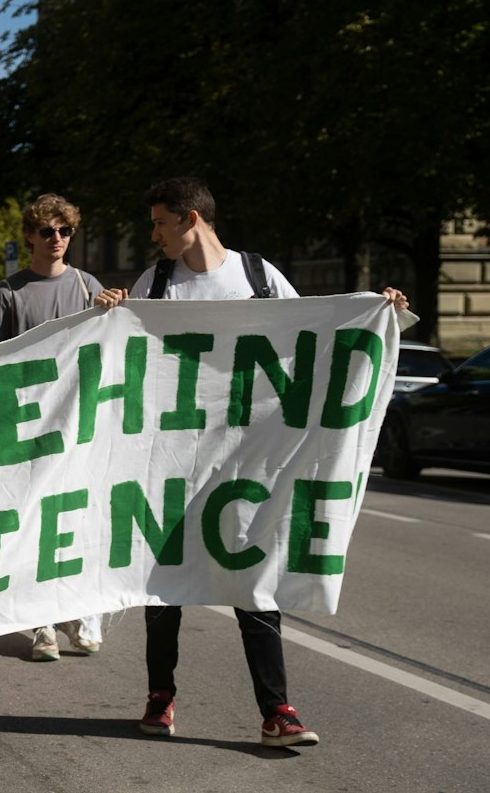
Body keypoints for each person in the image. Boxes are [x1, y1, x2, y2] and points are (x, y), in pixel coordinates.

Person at [94, 177, 408, 746]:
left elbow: (315, 338)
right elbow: (126, 355)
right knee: (164, 584)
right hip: (172, 459)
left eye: (160, 222)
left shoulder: (260, 278)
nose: (154, 234)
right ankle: (160, 697)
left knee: (251, 578)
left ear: (191, 219)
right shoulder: (156, 281)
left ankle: (277, 710)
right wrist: (111, 312)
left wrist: (376, 313)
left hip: (246, 461)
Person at [0, 196, 108, 660]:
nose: (57, 239)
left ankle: (77, 613)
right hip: (26, 428)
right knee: (33, 524)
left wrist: (113, 310)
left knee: (75, 521)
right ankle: (41, 625)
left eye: (65, 232)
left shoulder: (88, 286)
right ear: (30, 236)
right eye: (48, 231)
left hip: (79, 426)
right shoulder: (8, 293)